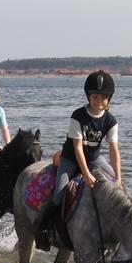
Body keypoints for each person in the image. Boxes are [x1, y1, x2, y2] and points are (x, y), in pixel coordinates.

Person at [34, 70, 121, 251]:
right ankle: (43, 228)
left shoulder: (111, 121)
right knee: (59, 193)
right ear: (88, 97)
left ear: (109, 99)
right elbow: (78, 148)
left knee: (117, 188)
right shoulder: (78, 116)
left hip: (95, 158)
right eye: (95, 97)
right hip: (71, 158)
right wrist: (87, 175)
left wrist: (118, 177)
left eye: (103, 98)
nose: (99, 101)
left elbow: (114, 150)